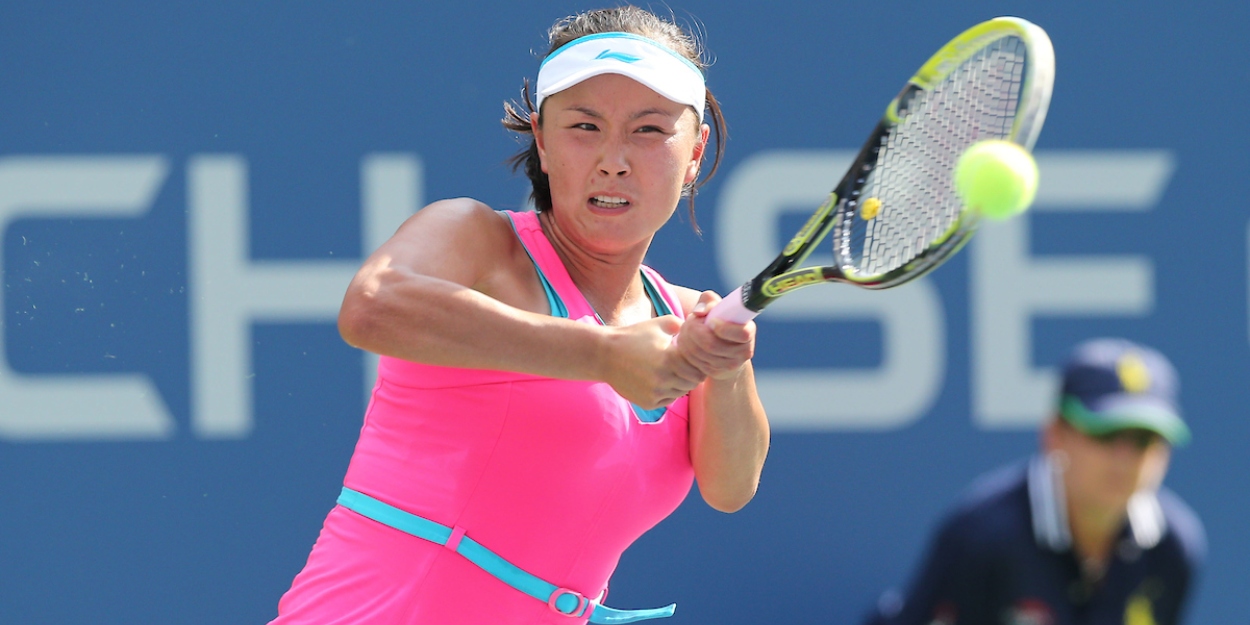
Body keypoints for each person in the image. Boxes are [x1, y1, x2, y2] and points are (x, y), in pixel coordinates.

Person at [269, 6, 769, 625]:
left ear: (694, 156)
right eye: (585, 126)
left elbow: (731, 487)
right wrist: (601, 354)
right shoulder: (477, 239)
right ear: (542, 141)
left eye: (648, 131)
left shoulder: (687, 317)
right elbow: (371, 307)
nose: (613, 159)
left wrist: (724, 368)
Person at [865, 338, 1205, 625]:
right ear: (1055, 433)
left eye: (1144, 440)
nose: (1125, 459)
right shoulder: (980, 538)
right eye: (1106, 434)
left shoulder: (1175, 548)